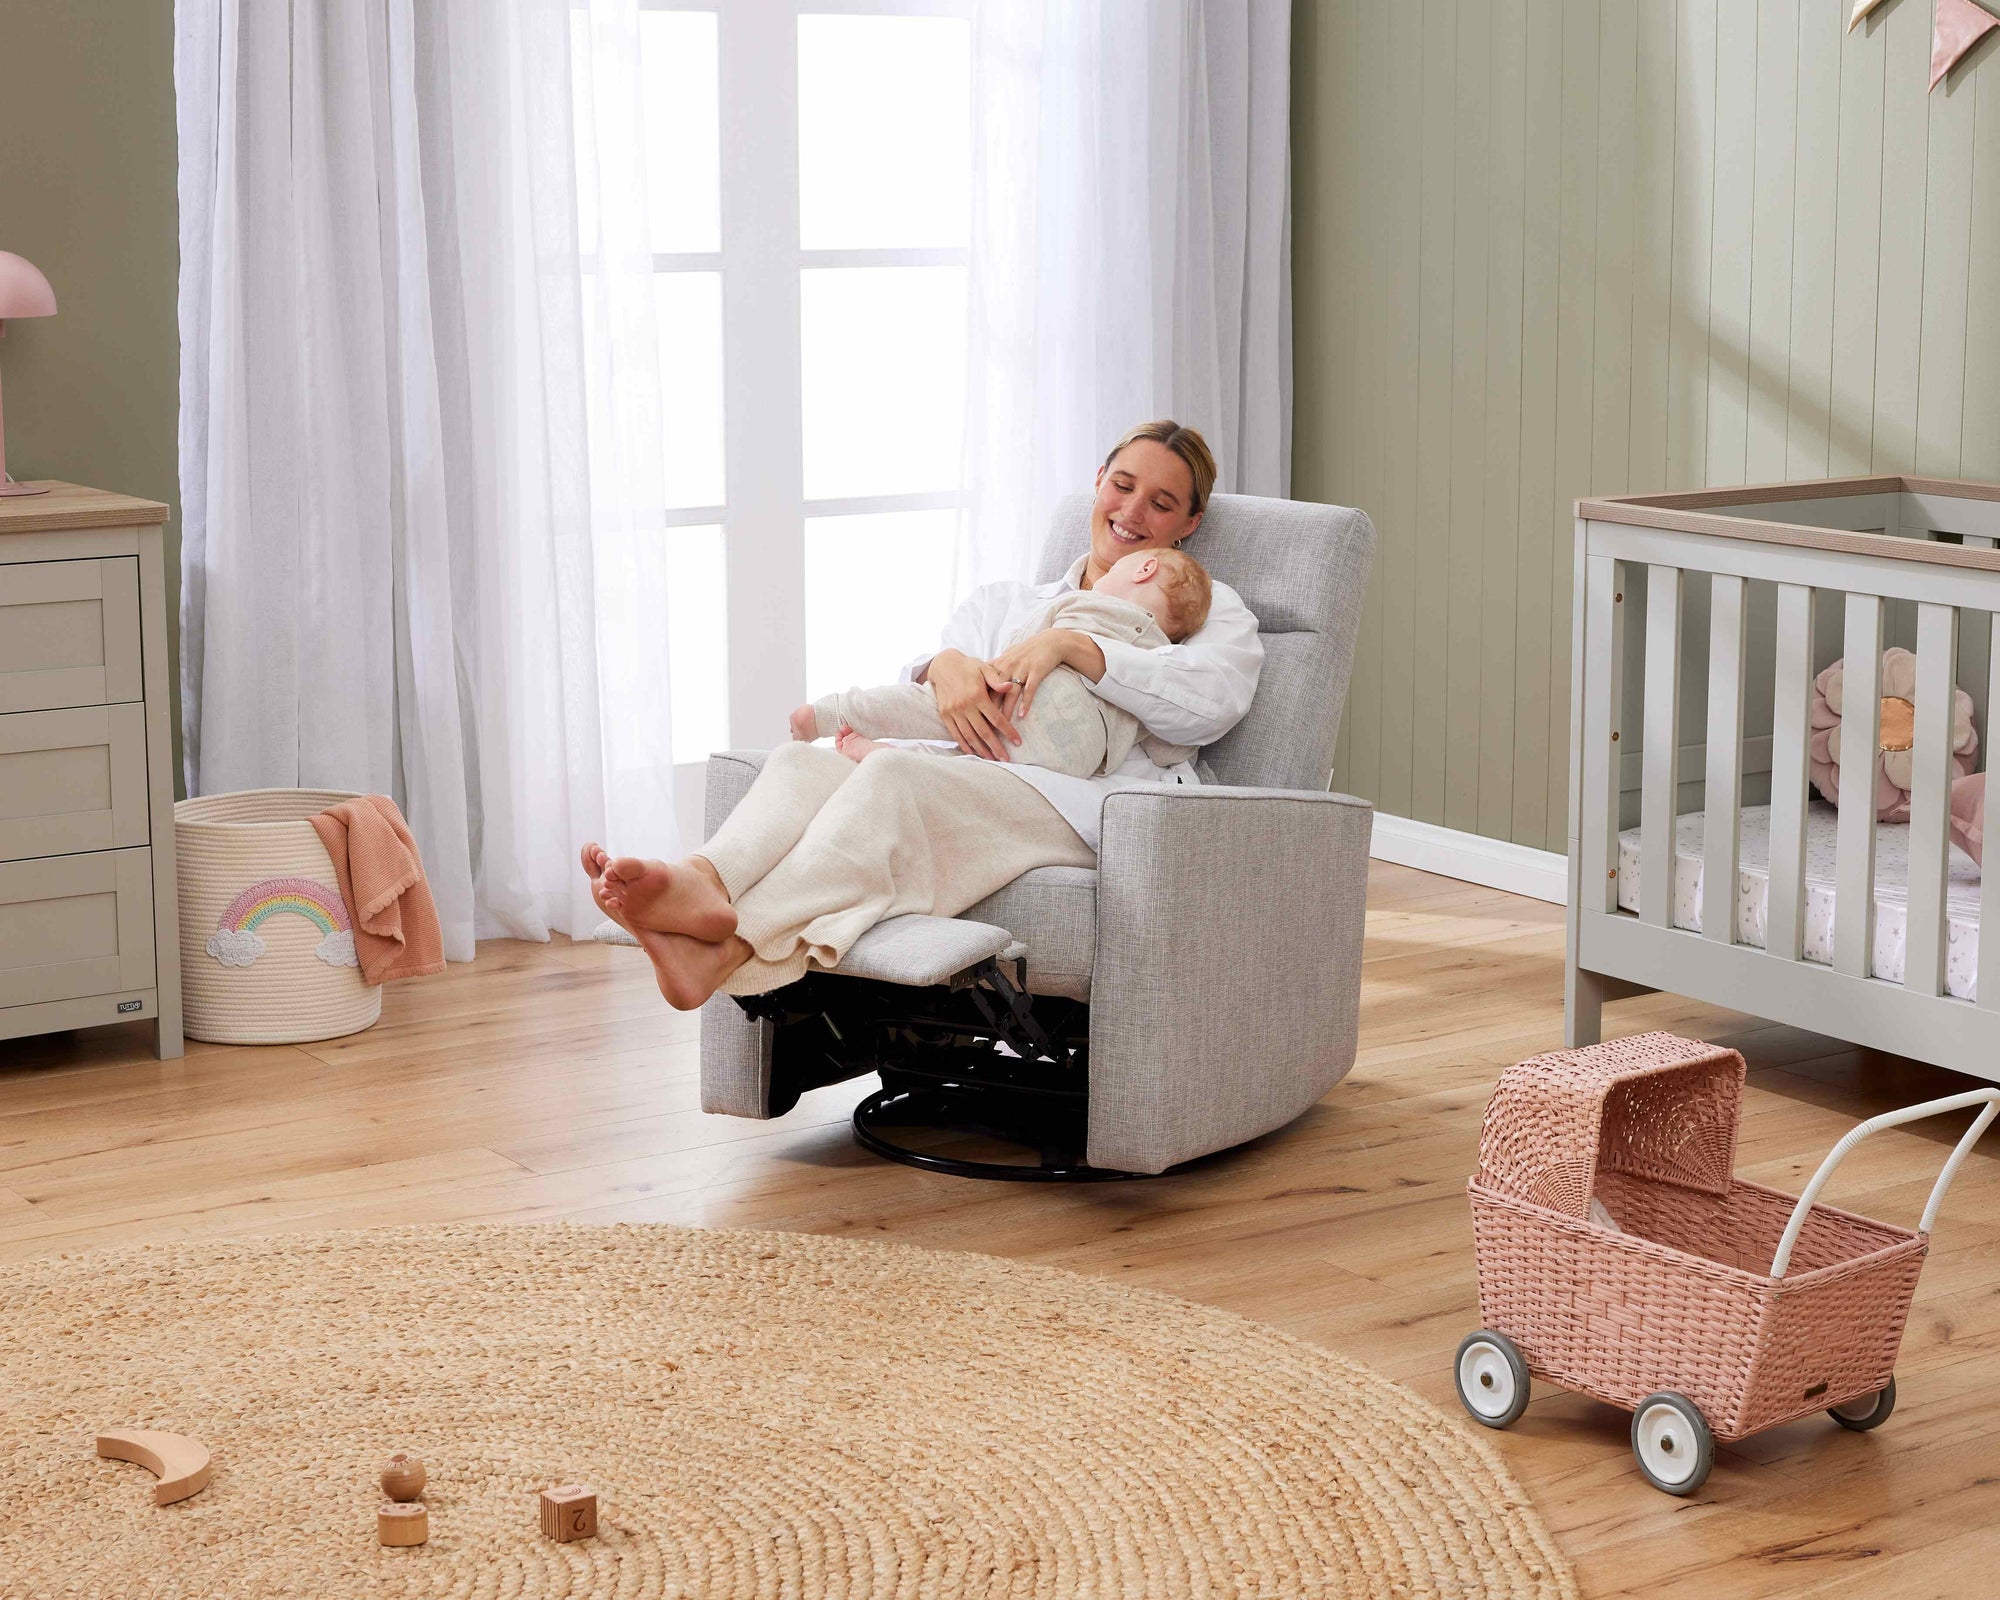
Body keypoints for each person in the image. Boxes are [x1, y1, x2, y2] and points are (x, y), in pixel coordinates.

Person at [581, 419, 1263, 1009]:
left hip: (1091, 804)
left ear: (1189, 525)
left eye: (1163, 503)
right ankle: (704, 881)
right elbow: (936, 673)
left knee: (894, 779)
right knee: (800, 764)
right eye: (1123, 484)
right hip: (974, 778)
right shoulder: (1012, 600)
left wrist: (1073, 646)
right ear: (1097, 481)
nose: (1133, 511)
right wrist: (941, 666)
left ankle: (728, 945)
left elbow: (1210, 704)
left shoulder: (1202, 604)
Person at [790, 545, 1213, 778]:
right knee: (974, 768)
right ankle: (891, 759)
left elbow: (1025, 644)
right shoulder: (1161, 656)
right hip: (1080, 760)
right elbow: (1164, 738)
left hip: (1032, 702)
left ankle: (828, 714)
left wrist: (989, 672)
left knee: (946, 716)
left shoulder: (1084, 603)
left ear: (1144, 569)